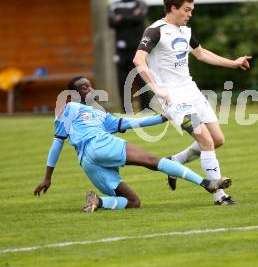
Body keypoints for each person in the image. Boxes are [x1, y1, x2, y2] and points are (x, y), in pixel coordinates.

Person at [33, 76, 231, 212]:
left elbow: (130, 122)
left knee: (133, 202)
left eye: (90, 85)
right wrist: (47, 177)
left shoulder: (100, 114)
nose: (90, 89)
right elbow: (56, 144)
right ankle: (207, 183)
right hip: (98, 144)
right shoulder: (70, 107)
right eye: (84, 87)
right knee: (152, 160)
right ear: (72, 95)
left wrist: (163, 118)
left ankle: (98, 201)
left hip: (88, 162)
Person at [133, 0, 251, 205]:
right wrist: (156, 88)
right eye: (186, 10)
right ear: (173, 8)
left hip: (192, 91)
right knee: (206, 140)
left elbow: (202, 54)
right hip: (174, 100)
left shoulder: (185, 31)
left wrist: (232, 63)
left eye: (192, 10)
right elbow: (138, 60)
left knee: (217, 140)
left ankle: (174, 162)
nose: (189, 14)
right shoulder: (155, 31)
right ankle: (219, 196)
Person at [108, 0, 151, 111]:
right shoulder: (115, 5)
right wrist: (131, 16)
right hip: (121, 51)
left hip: (137, 50)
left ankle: (146, 110)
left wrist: (122, 18)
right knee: (123, 82)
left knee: (142, 79)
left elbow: (140, 18)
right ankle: (126, 110)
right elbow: (111, 22)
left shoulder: (140, 3)